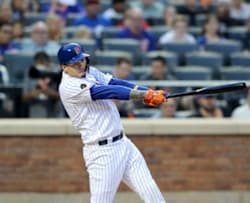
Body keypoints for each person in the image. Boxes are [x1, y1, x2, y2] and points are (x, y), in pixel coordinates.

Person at [57, 42, 167, 203]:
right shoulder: (69, 86)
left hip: (124, 143)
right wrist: (144, 96)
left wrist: (147, 91)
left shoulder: (89, 72)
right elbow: (107, 91)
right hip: (103, 152)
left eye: (82, 60)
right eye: (75, 63)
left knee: (150, 191)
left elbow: (115, 83)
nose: (81, 65)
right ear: (64, 67)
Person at [22, 51, 61, 118]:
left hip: (55, 107)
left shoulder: (58, 72)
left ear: (49, 62)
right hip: (37, 107)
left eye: (44, 64)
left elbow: (66, 97)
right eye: (39, 65)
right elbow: (24, 97)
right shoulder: (31, 72)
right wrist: (32, 94)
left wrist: (49, 92)